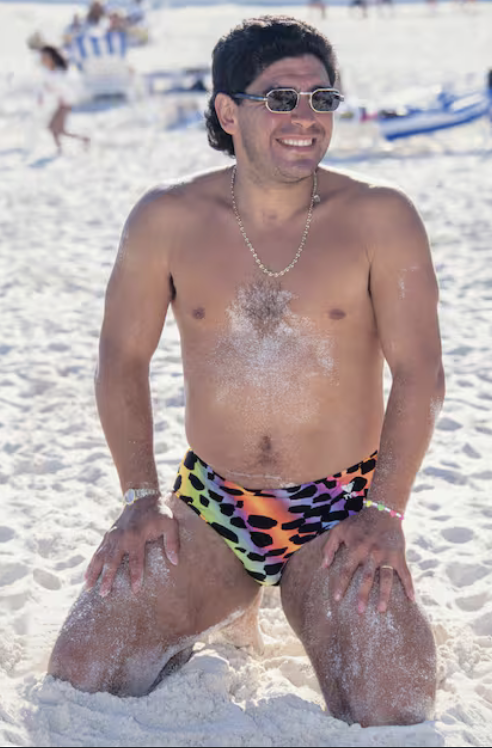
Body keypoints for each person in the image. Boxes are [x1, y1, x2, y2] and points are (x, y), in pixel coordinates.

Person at [48, 16, 444, 727]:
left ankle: (291, 598)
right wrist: (139, 497)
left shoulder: (379, 218)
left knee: (394, 707)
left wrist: (385, 514)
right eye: (281, 99)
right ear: (228, 112)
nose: (306, 118)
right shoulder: (167, 219)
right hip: (212, 505)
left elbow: (420, 374)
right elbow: (122, 359)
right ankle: (224, 604)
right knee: (82, 671)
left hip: (339, 509)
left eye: (323, 100)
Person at [38, 45, 89, 153]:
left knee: (54, 128)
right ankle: (78, 141)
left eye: (45, 57)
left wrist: (52, 90)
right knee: (55, 128)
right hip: (60, 104)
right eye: (42, 58)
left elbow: (66, 87)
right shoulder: (49, 72)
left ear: (52, 58)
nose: (43, 60)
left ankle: (62, 148)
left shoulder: (60, 72)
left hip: (65, 104)